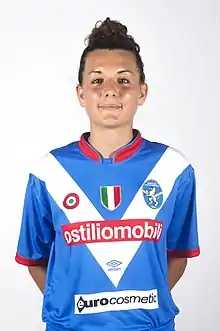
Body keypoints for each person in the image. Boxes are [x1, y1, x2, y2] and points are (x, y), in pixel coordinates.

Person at [15, 17, 200, 331]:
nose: (111, 91)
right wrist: (71, 308)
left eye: (124, 80)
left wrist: (142, 307)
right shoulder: (49, 171)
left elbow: (178, 254)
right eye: (97, 80)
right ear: (81, 93)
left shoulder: (173, 169)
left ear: (142, 92)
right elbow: (34, 258)